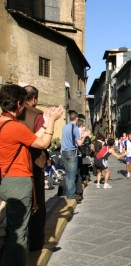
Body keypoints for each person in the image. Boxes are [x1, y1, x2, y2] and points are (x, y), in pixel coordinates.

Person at [0, 84, 63, 266]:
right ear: (19, 104)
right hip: (18, 182)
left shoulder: (4, 124)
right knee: (17, 234)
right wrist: (51, 121)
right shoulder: (15, 127)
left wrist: (45, 121)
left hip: (4, 180)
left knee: (7, 229)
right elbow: (43, 143)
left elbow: (31, 138)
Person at [16, 85, 48, 252]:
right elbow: (43, 141)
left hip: (13, 167)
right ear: (34, 98)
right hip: (33, 163)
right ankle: (36, 241)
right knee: (36, 203)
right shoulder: (37, 115)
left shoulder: (13, 113)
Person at [61, 110, 91, 200]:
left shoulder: (65, 127)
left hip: (64, 152)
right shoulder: (75, 128)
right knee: (72, 174)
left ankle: (68, 193)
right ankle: (71, 195)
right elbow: (79, 143)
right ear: (77, 119)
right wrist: (85, 135)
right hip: (71, 152)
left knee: (67, 173)